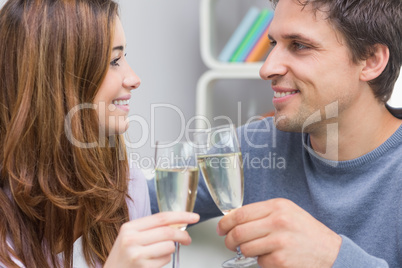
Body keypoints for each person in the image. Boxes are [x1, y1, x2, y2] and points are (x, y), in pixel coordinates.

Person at [147, 0, 402, 267]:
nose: (267, 69)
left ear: (371, 61)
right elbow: (126, 204)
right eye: (273, 44)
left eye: (299, 45)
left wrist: (332, 256)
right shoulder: (255, 147)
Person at [0, 0, 199, 267]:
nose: (134, 78)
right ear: (58, 77)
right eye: (114, 61)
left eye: (125, 57)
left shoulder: (127, 185)